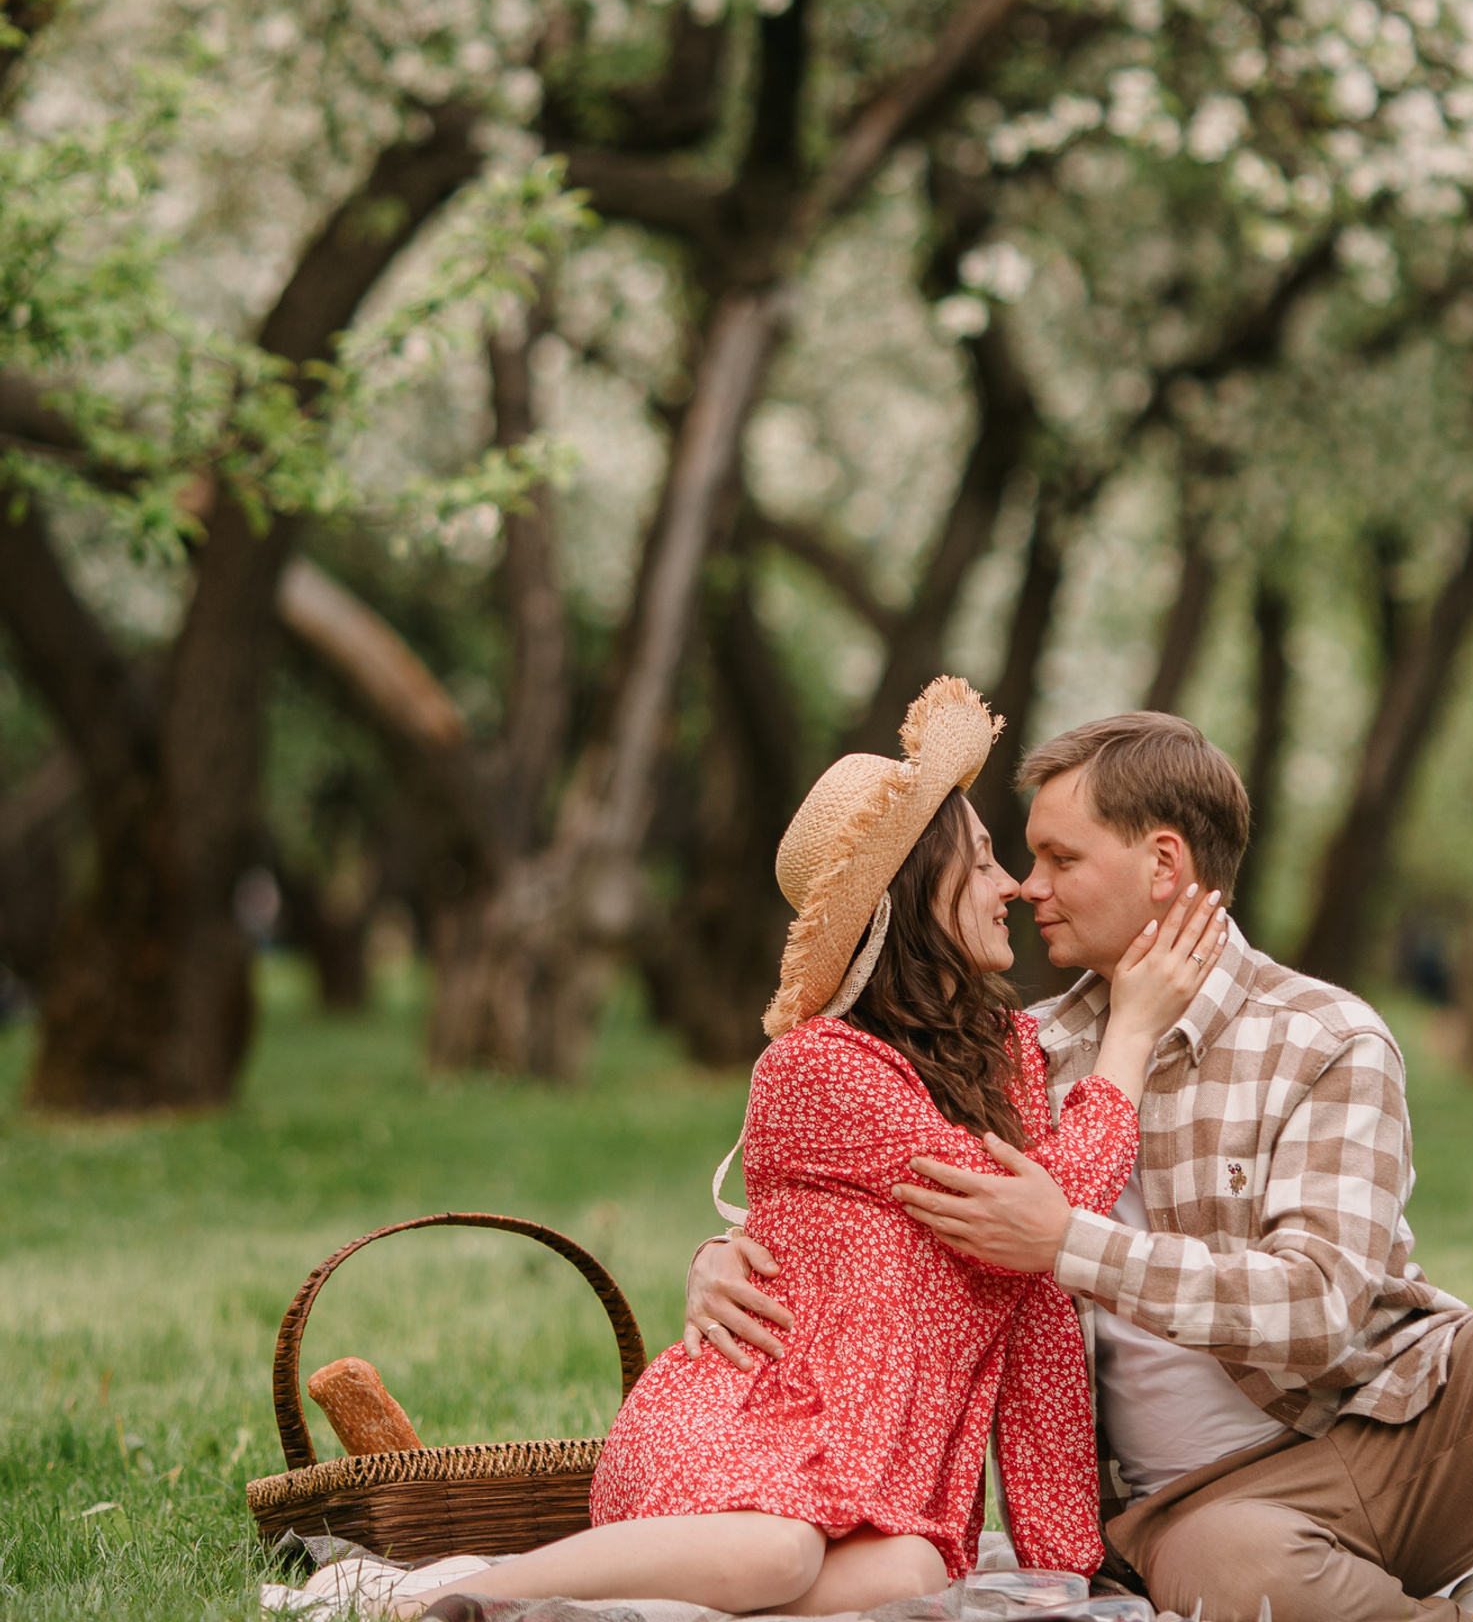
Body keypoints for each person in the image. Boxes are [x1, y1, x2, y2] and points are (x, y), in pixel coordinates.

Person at [691, 711, 1473, 1622]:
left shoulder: (1325, 1037)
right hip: (1201, 1508)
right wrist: (726, 1256)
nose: (1027, 887)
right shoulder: (1019, 1058)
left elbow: (1316, 1309)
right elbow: (846, 1184)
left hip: (1396, 1423)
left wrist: (1070, 1244)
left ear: (1164, 865)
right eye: (1022, 861)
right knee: (1231, 1571)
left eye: (1058, 858)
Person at [383, 680, 1229, 1621]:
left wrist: (1067, 1562)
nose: (1013, 888)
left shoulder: (1014, 1062)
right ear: (916, 890)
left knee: (913, 1579)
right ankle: (449, 1603)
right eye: (986, 861)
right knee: (779, 1555)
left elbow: (1036, 1303)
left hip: (881, 1489)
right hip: (754, 1433)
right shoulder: (820, 1068)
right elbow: (1048, 1208)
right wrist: (1130, 1041)